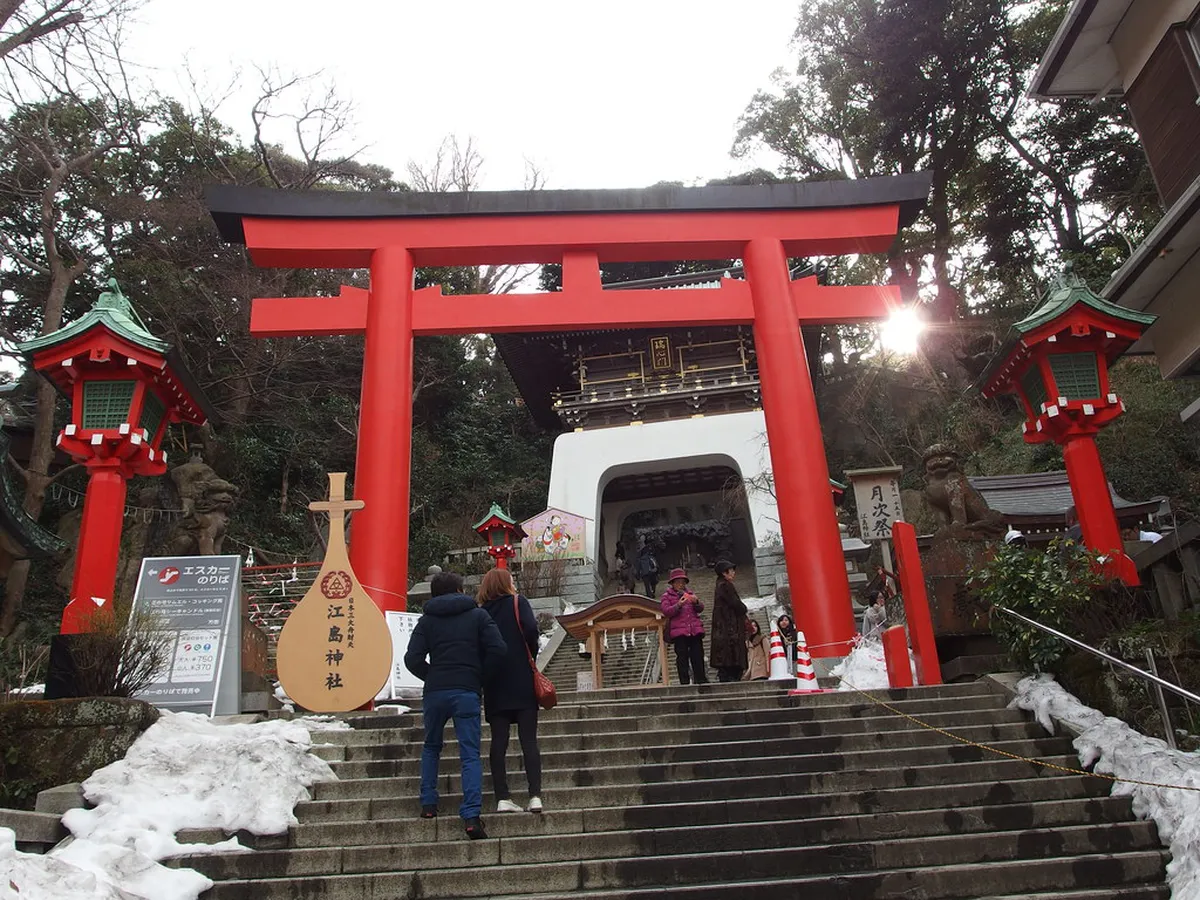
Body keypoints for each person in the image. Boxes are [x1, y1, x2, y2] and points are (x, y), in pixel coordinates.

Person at [404, 570, 507, 840]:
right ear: (461, 590)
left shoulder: (427, 621)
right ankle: (471, 816)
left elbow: (412, 659)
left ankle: (428, 804)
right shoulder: (478, 616)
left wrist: (434, 676)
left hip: (436, 692)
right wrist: (478, 677)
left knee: (431, 747)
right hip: (466, 691)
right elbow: (498, 649)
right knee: (469, 753)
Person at [477, 567, 544, 815]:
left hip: (495, 682)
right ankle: (535, 795)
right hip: (521, 680)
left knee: (499, 741)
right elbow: (531, 631)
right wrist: (530, 656)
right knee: (529, 740)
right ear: (506, 583)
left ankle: (502, 796)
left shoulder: (481, 612)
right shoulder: (518, 602)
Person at [660, 567, 707, 685]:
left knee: (698, 655)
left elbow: (700, 608)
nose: (680, 584)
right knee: (682, 658)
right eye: (678, 582)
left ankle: (701, 680)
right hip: (679, 632)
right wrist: (678, 605)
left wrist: (696, 602)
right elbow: (666, 611)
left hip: (694, 630)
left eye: (682, 582)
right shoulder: (667, 596)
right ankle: (684, 682)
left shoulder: (690, 594)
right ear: (672, 583)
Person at [709, 559, 748, 682]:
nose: (733, 573)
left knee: (726, 655)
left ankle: (728, 674)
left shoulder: (720, 585)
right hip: (729, 626)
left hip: (725, 626)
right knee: (732, 654)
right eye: (731, 571)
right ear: (724, 573)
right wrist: (743, 609)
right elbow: (735, 603)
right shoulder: (725, 585)